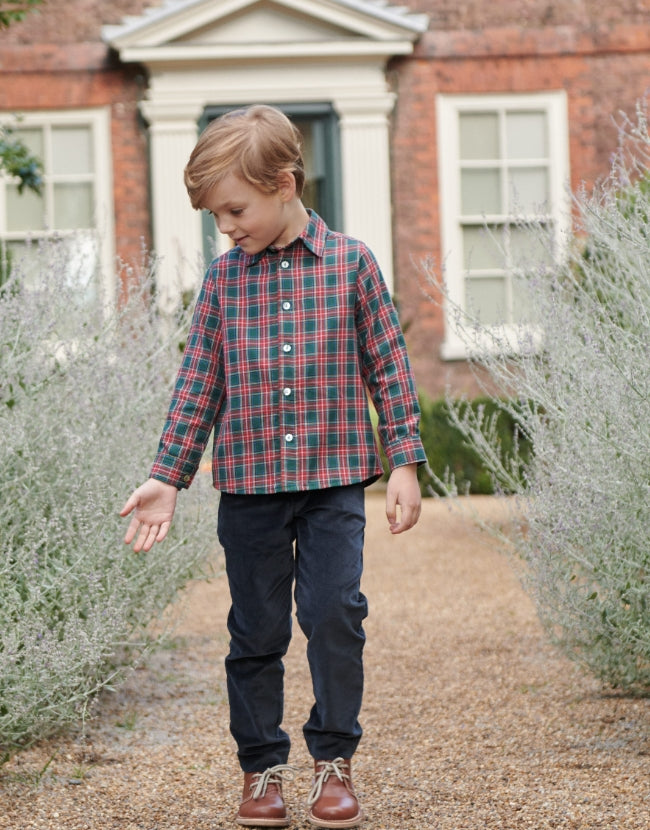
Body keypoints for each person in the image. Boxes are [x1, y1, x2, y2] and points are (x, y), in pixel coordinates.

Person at [121, 105, 426, 829]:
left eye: (234, 209)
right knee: (255, 631)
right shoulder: (225, 283)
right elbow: (199, 383)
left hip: (333, 484)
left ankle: (334, 759)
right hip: (250, 491)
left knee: (334, 614)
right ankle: (261, 771)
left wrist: (406, 461)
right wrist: (168, 475)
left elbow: (389, 365)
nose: (224, 226)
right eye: (216, 215)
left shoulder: (352, 264)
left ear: (284, 183)